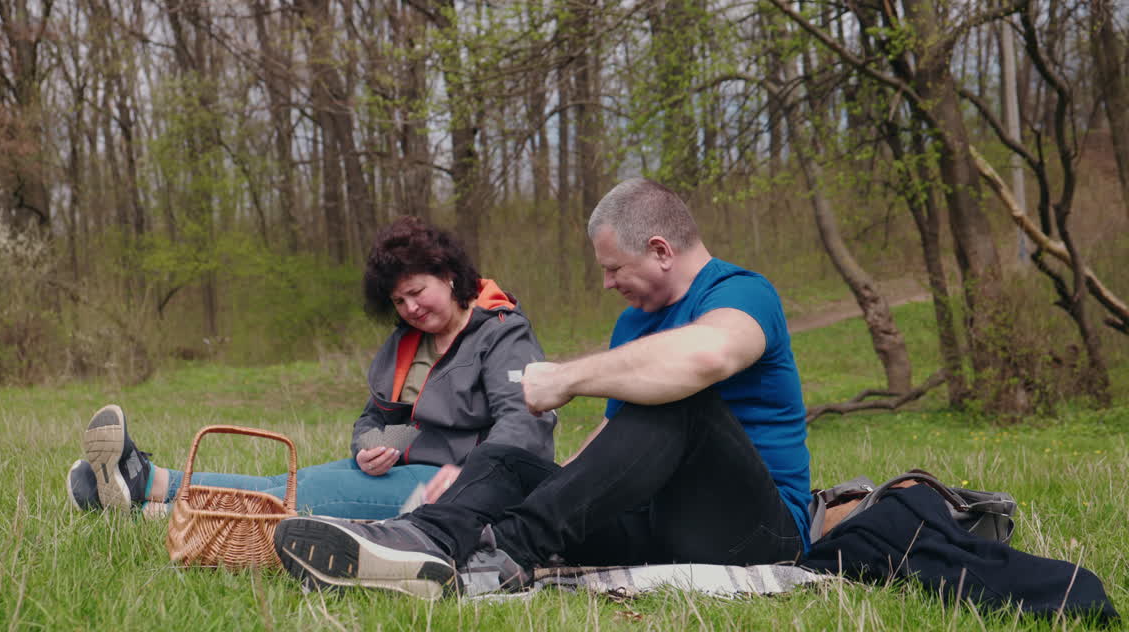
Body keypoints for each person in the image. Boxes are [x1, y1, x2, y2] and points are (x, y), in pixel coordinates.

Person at [272, 178, 813, 599]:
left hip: (757, 535)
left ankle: (503, 554)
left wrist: (565, 377)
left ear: (661, 250)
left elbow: (707, 356)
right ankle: (423, 543)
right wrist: (516, 485)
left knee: (682, 401)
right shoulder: (633, 324)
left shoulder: (744, 294)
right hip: (661, 528)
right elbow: (612, 446)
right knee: (505, 459)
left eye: (613, 268)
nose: (606, 284)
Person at [64, 216, 555, 519]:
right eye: (398, 299)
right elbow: (373, 420)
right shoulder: (411, 344)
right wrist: (367, 449)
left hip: (457, 490)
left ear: (449, 275)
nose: (410, 307)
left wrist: (468, 477)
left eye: (417, 291)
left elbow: (523, 425)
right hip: (401, 473)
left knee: (288, 497)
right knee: (284, 487)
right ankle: (137, 504)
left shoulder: (501, 332)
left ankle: (146, 483)